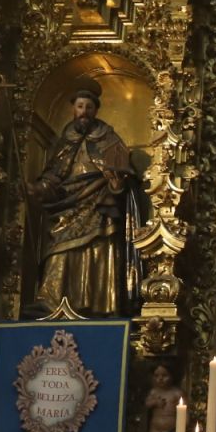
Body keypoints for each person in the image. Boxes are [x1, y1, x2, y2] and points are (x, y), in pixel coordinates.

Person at [29, 80, 142, 317]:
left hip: (98, 204)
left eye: (88, 107)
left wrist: (116, 184)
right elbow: (54, 174)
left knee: (98, 248)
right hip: (67, 204)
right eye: (80, 107)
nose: (84, 112)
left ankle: (101, 304)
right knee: (58, 250)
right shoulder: (66, 139)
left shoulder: (108, 138)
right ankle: (50, 302)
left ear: (95, 110)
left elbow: (123, 175)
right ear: (74, 109)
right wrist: (39, 188)